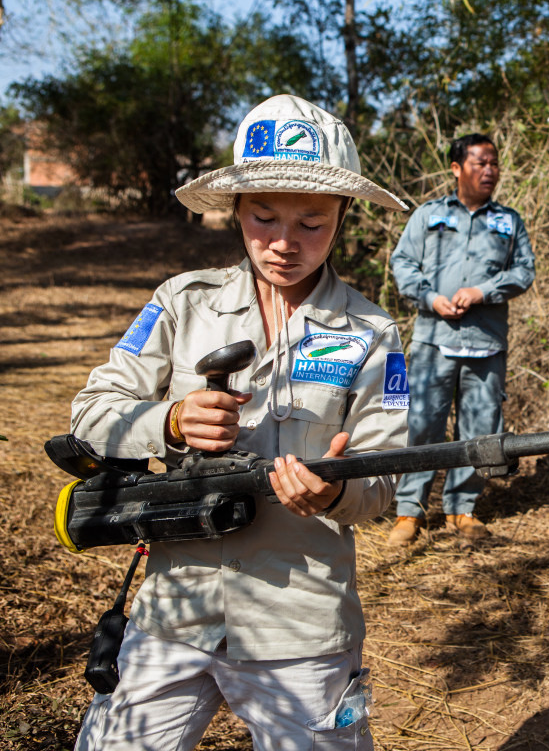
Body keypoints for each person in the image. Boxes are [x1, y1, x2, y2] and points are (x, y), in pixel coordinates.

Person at [70, 94, 411, 749]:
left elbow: (387, 476)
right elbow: (92, 414)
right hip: (173, 612)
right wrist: (170, 420)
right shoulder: (181, 303)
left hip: (302, 629)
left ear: (343, 217)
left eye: (312, 222)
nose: (285, 243)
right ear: (235, 211)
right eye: (263, 217)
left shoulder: (373, 332)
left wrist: (336, 493)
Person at [387, 133, 535, 546]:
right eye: (479, 163)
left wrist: (483, 291)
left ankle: (462, 508)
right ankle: (408, 511)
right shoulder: (428, 214)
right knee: (422, 426)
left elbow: (524, 271)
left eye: (494, 163)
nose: (489, 171)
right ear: (456, 169)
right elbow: (403, 263)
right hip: (435, 340)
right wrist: (431, 298)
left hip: (486, 342)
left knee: (479, 427)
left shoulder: (508, 220)